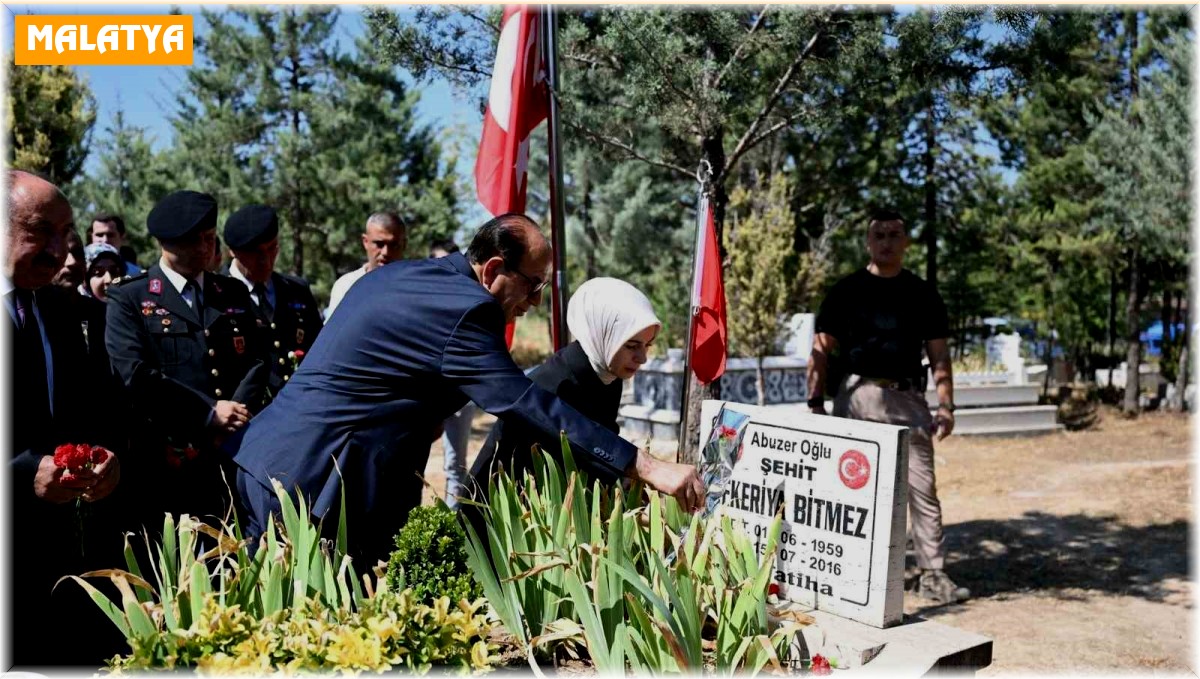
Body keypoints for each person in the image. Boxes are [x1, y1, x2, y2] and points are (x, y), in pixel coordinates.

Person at [234, 213, 705, 567]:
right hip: (312, 483)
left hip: (274, 460)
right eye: (533, 284)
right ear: (494, 268)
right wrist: (645, 465)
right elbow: (523, 402)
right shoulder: (467, 311)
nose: (536, 301)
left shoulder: (406, 276)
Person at [806, 209, 969, 605]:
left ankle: (932, 573)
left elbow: (940, 357)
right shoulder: (846, 291)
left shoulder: (922, 293)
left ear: (906, 241)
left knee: (922, 488)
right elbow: (820, 350)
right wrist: (814, 403)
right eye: (879, 235)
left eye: (895, 234)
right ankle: (848, 569)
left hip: (909, 402)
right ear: (868, 242)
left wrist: (946, 407)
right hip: (858, 398)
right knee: (849, 487)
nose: (887, 242)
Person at [6, 170, 125, 666]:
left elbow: (100, 411)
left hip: (61, 561)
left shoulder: (63, 310)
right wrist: (19, 473)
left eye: (66, 234)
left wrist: (110, 458)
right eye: (41, 232)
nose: (60, 252)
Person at [105, 190, 270, 526]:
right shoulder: (130, 297)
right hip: (168, 462)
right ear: (169, 244)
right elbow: (135, 373)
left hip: (234, 454)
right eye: (195, 241)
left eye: (210, 238)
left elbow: (258, 358)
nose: (206, 248)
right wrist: (208, 414)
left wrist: (234, 415)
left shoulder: (232, 293)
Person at [469, 276, 659, 504]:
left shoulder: (608, 374)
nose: (642, 358)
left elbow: (602, 438)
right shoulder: (555, 384)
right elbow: (568, 456)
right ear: (602, 335)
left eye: (647, 345)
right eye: (631, 345)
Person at [223, 205, 323, 401]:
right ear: (233, 252)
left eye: (272, 249)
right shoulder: (218, 295)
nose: (266, 261)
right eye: (255, 253)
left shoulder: (297, 290)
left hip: (298, 406)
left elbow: (319, 349)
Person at [428, 237, 475, 509]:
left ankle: (453, 522)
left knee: (455, 464)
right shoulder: (418, 300)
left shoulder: (467, 301)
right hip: (425, 396)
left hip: (459, 395)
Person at [324, 211, 407, 320]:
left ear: (404, 244)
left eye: (394, 245)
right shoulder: (346, 286)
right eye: (379, 244)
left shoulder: (416, 287)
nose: (386, 252)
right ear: (365, 241)